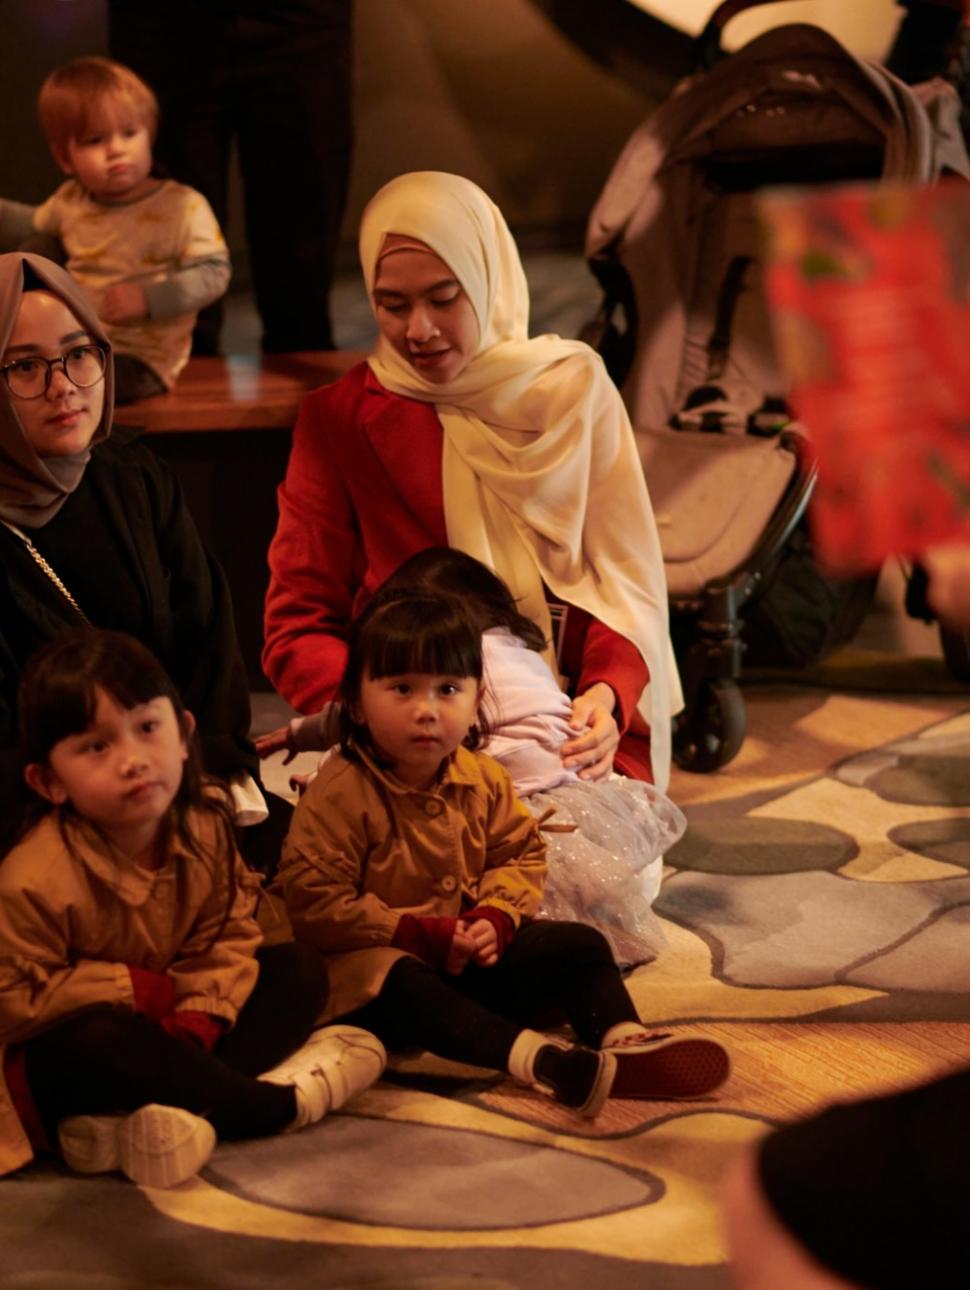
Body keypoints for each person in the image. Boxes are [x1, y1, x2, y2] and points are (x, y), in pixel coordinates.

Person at [263, 170, 681, 794]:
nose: (419, 330)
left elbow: (621, 577)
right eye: (393, 304)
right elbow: (298, 619)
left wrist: (606, 692)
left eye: (444, 297)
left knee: (572, 870)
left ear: (488, 279)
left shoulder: (570, 389)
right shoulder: (341, 417)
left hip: (567, 718)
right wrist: (386, 709)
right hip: (409, 730)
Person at [273, 590, 728, 1119]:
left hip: (468, 958)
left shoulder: (482, 776)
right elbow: (315, 904)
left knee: (577, 942)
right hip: (380, 974)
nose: (427, 710)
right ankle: (544, 1062)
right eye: (402, 689)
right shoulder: (340, 791)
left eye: (448, 689)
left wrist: (497, 916)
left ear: (474, 703)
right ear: (355, 702)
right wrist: (414, 932)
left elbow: (520, 854)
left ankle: (624, 1039)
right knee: (406, 986)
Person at [0, 629, 386, 1188]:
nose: (133, 760)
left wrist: (202, 1017)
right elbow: (11, 1000)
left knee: (298, 970)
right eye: (96, 747)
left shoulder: (204, 824)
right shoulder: (33, 876)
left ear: (183, 735)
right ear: (49, 782)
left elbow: (227, 935)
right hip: (70, 1055)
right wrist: (126, 989)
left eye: (147, 729)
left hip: (177, 1024)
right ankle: (262, 1106)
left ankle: (156, 1119)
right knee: (99, 1041)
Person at [259, 548, 685, 966]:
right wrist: (305, 733)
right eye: (404, 688)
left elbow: (382, 734)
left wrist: (324, 774)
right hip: (598, 810)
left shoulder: (466, 661)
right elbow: (368, 713)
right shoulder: (521, 655)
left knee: (478, 883)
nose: (425, 707)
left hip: (530, 817)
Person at [0, 251, 281, 868]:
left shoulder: (131, 476)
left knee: (327, 871)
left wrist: (207, 781)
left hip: (181, 783)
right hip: (44, 830)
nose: (63, 386)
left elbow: (205, 634)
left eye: (79, 354)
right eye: (24, 365)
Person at [107, 0, 353, 355]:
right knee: (171, 259)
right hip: (159, 25)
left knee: (302, 276)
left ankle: (311, 406)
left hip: (301, 20)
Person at [0, 56, 230, 403]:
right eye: (95, 140)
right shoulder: (71, 201)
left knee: (78, 384)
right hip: (74, 347)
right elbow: (27, 223)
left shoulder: (182, 205)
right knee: (38, 245)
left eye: (129, 133)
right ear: (65, 158)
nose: (116, 149)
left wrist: (148, 299)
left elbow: (214, 272)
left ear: (149, 136)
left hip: (142, 359)